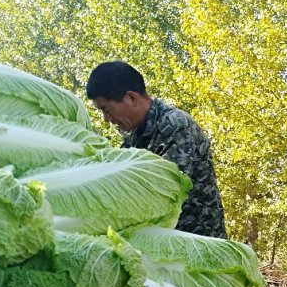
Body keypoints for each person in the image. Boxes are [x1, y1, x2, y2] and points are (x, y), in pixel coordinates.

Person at [86, 60, 227, 238]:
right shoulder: (136, 135)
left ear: (131, 97)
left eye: (107, 109)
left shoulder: (175, 125)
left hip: (197, 244)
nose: (106, 119)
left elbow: (160, 191)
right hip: (164, 243)